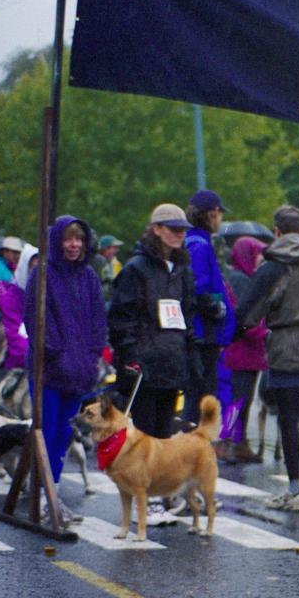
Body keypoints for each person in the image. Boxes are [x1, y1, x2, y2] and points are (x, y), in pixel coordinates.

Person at [235, 206, 299, 512]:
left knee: (288, 419)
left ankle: (294, 490)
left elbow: (248, 309)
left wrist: (246, 329)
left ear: (277, 232)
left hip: (285, 345)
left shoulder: (274, 264)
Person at [108, 203, 197, 526]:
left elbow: (186, 314)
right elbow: (121, 317)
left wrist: (189, 355)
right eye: (173, 228)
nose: (179, 234)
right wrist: (131, 356)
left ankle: (158, 497)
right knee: (142, 436)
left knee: (163, 434)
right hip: (144, 363)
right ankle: (142, 501)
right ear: (156, 229)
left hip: (172, 361)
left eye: (182, 229)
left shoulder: (182, 270)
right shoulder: (136, 269)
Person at [23, 216, 106, 525]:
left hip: (79, 371)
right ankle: (41, 495)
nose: (74, 245)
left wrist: (92, 354)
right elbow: (35, 318)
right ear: (57, 242)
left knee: (64, 436)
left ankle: (53, 494)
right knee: (45, 432)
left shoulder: (89, 277)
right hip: (49, 369)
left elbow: (98, 319)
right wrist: (57, 353)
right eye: (68, 239)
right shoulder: (42, 274)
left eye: (79, 239)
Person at [182, 189, 235, 424]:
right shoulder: (199, 245)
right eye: (220, 214)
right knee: (201, 401)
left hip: (203, 333)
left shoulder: (196, 241)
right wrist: (216, 308)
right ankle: (191, 444)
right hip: (203, 334)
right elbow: (196, 288)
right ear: (213, 213)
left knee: (199, 398)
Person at [220, 236, 268, 464]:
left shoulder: (245, 278)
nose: (260, 258)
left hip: (249, 351)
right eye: (257, 253)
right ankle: (226, 441)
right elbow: (243, 315)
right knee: (237, 399)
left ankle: (239, 442)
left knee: (244, 399)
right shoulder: (240, 280)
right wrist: (262, 334)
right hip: (242, 349)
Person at [0, 244, 38, 370]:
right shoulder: (11, 299)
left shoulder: (47, 294)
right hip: (24, 364)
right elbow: (17, 338)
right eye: (33, 269)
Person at [93, 234, 124, 302]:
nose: (117, 250)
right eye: (115, 247)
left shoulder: (116, 264)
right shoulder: (95, 263)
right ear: (105, 249)